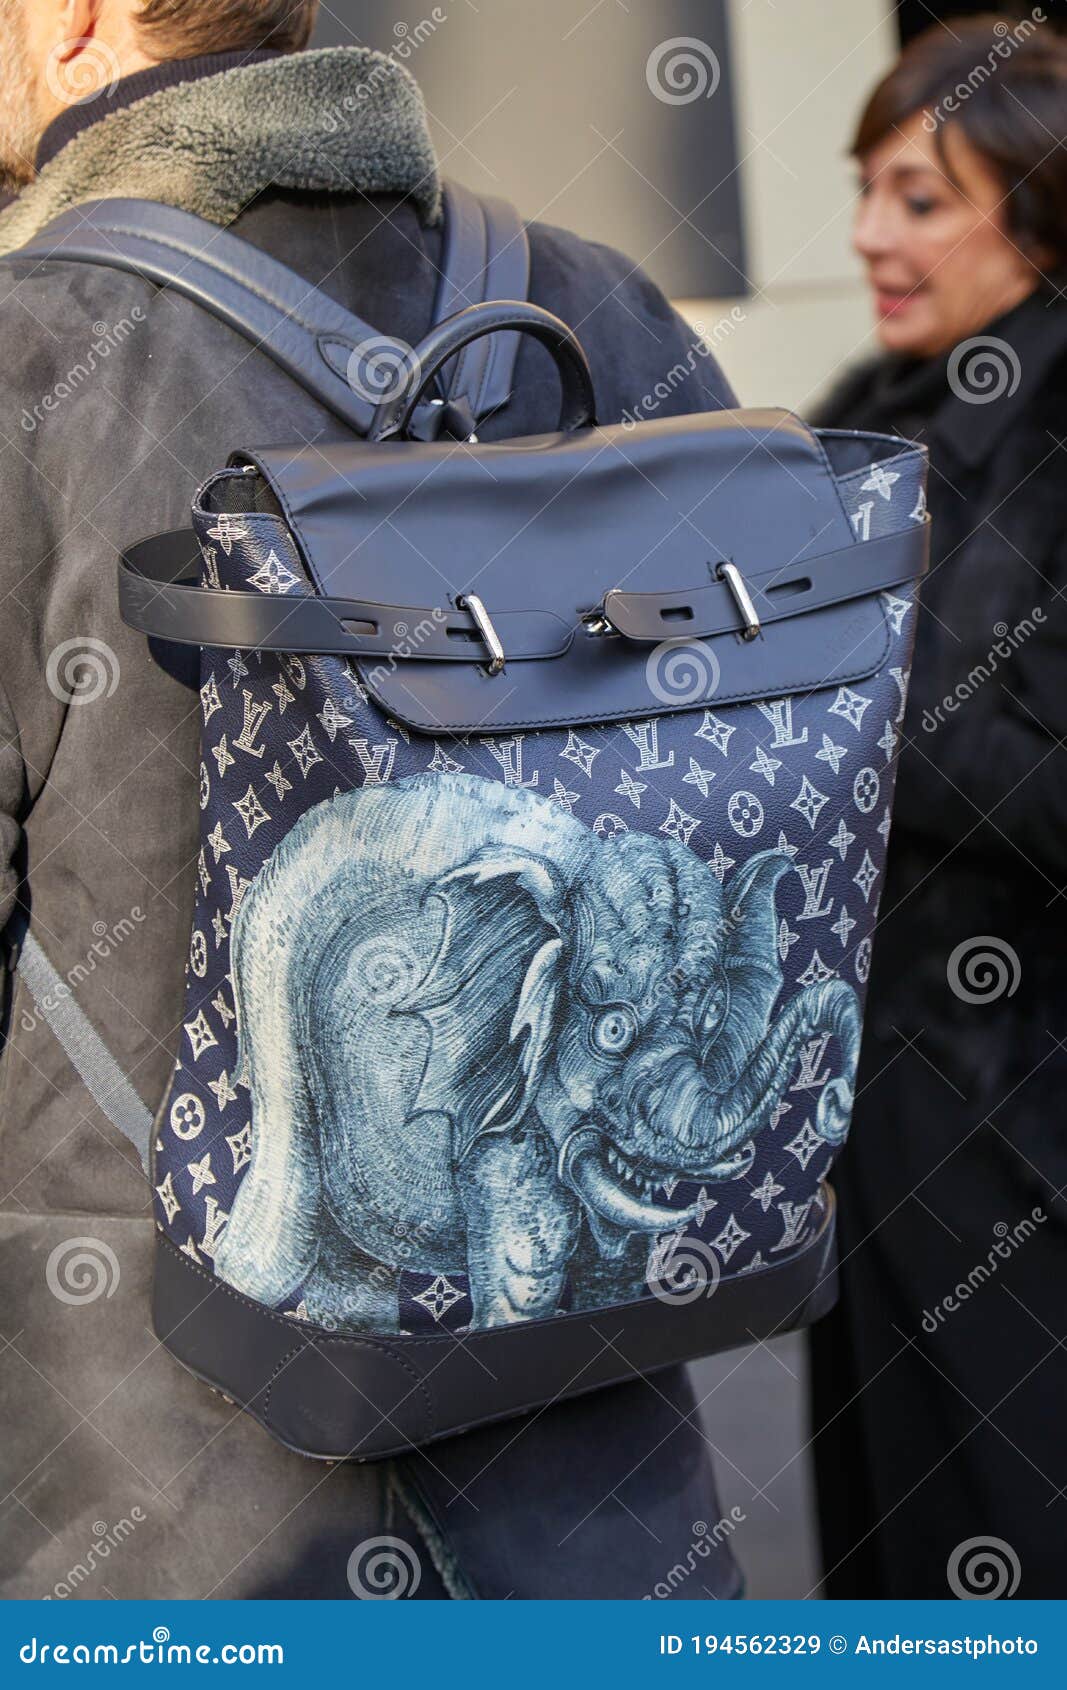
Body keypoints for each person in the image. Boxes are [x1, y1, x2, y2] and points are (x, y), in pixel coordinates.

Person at [0, 0, 744, 1601]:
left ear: (70, 18)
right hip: (598, 1492)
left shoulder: (28, 358)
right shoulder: (600, 309)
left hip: (153, 1523)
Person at [807, 16, 1067, 1599]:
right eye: (865, 191)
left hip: (1028, 1131)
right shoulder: (872, 408)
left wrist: (838, 717)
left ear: (1034, 207)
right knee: (888, 1550)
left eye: (917, 197)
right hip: (875, 1119)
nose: (865, 237)